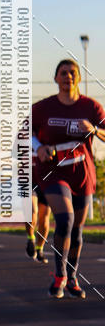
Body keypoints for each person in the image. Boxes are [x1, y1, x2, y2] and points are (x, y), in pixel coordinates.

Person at [32, 59, 105, 298]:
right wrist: (38, 147)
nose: (68, 77)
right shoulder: (43, 108)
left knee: (77, 230)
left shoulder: (91, 108)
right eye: (63, 73)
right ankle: (60, 274)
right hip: (53, 171)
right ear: (56, 78)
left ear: (79, 78)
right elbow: (24, 133)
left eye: (72, 73)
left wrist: (94, 130)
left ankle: (73, 277)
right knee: (65, 218)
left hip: (82, 172)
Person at [24, 150, 50, 264]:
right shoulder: (23, 134)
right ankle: (31, 238)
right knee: (32, 210)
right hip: (28, 180)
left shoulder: (48, 133)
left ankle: (40, 248)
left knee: (44, 218)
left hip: (47, 180)